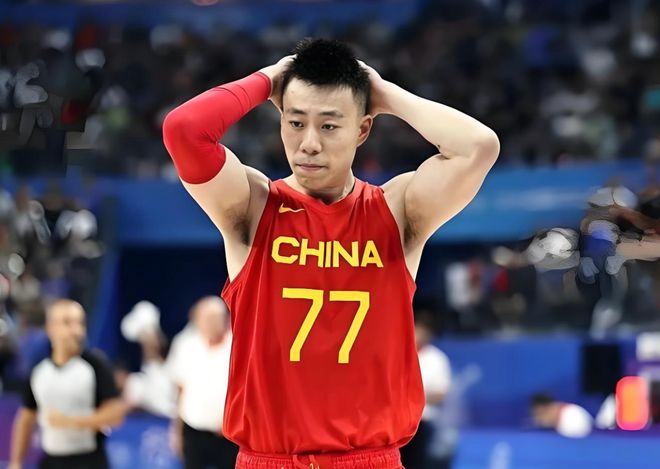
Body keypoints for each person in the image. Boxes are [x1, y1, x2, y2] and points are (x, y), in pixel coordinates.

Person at [163, 38, 499, 468]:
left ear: (362, 129)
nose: (308, 143)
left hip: (370, 459)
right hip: (269, 459)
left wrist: (382, 92)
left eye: (329, 126)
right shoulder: (253, 205)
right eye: (296, 122)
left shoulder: (397, 210)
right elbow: (184, 130)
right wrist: (269, 79)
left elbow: (479, 147)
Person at [8, 299, 126, 469]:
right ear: (50, 328)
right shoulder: (39, 372)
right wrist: (16, 462)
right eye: (67, 323)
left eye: (80, 323)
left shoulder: (95, 365)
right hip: (52, 460)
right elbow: (26, 417)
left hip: (89, 460)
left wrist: (71, 422)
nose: (76, 330)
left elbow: (115, 413)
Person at [167, 296, 238, 469]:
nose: (212, 323)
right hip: (194, 430)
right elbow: (180, 390)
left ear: (226, 318)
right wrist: (176, 431)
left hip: (229, 436)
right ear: (197, 320)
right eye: (207, 318)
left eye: (216, 318)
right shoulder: (185, 345)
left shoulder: (238, 346)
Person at [401, 313, 451, 469]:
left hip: (423, 421)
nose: (420, 334)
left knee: (417, 462)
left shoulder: (437, 358)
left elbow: (440, 393)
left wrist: (412, 397)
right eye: (418, 329)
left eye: (425, 331)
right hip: (398, 421)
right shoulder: (398, 353)